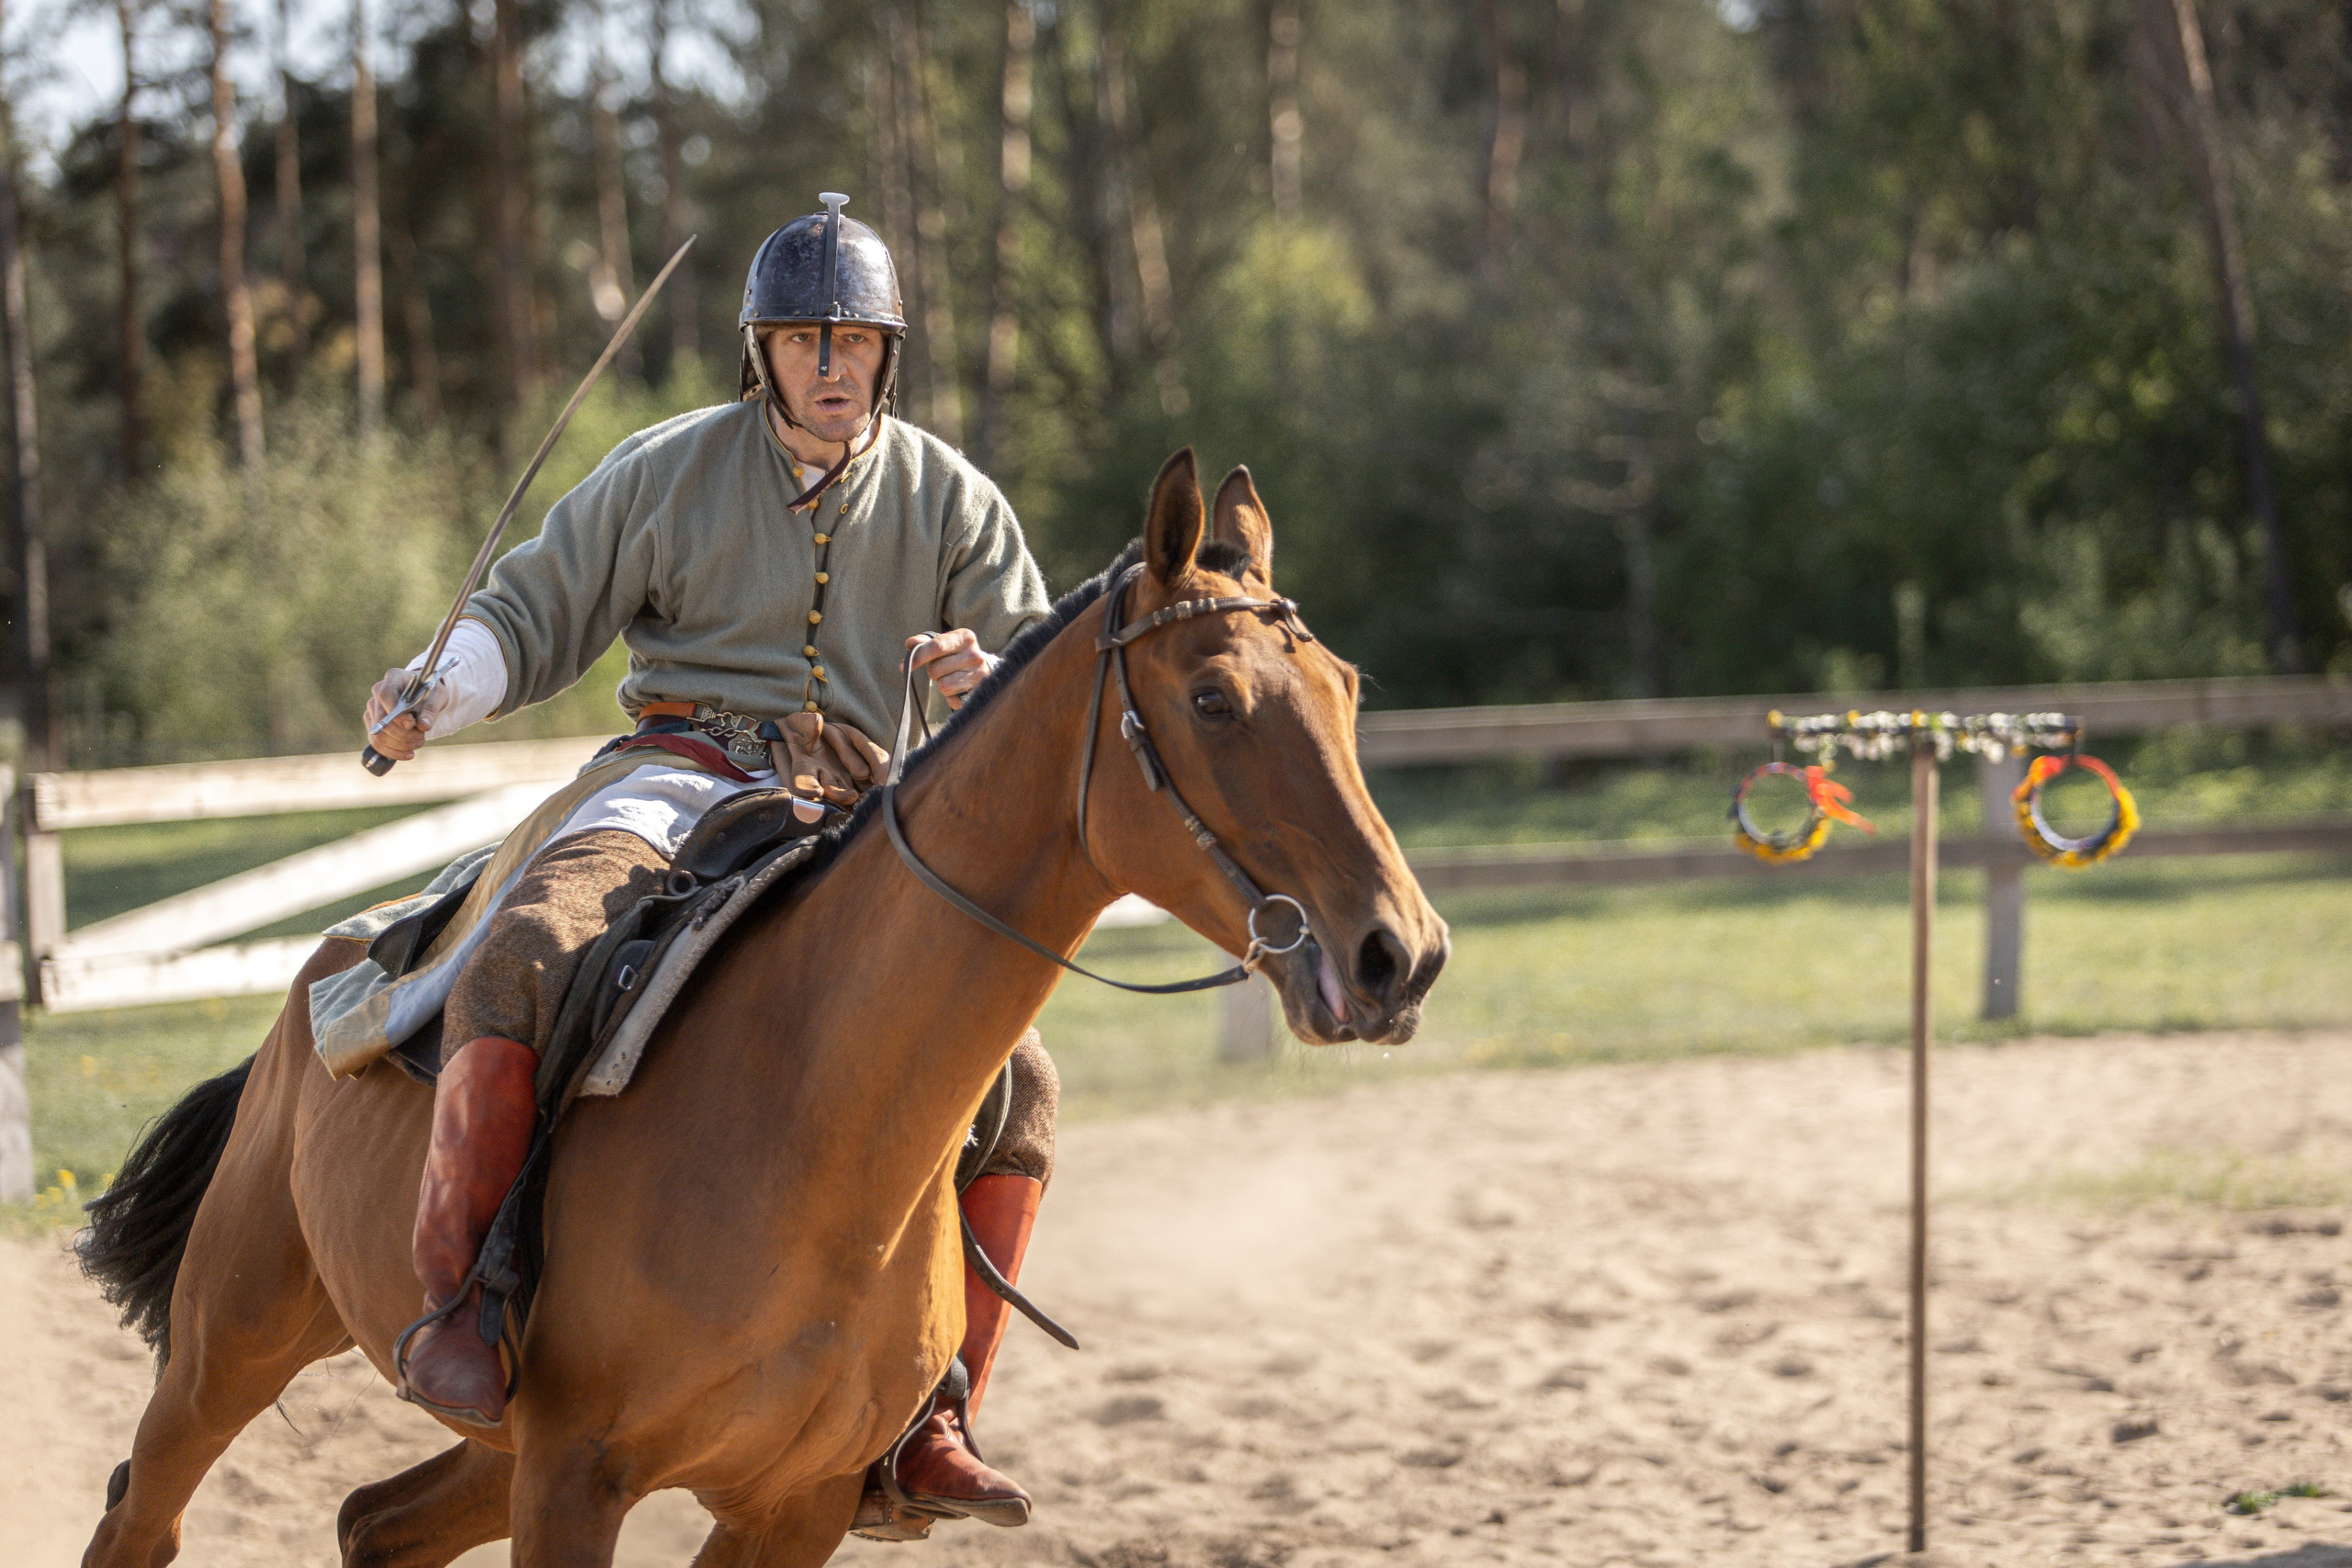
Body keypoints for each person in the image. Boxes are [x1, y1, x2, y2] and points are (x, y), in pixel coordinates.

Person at [362, 196, 1057, 1534]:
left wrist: (989, 682)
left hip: (857, 813)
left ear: (888, 353)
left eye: (857, 338)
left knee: (1021, 1075)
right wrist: (430, 689)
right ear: (762, 352)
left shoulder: (950, 496)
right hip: (675, 777)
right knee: (527, 949)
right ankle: (468, 1302)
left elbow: (1040, 683)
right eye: (805, 339)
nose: (834, 364)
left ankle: (931, 1413)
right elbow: (528, 610)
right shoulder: (666, 469)